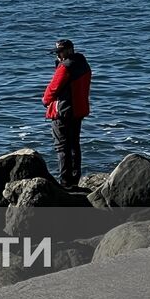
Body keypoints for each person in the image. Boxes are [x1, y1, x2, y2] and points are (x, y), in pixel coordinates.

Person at [42, 39, 92, 188]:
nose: (58, 56)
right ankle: (75, 178)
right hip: (78, 110)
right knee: (74, 145)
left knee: (62, 147)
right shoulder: (83, 63)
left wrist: (45, 101)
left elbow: (53, 89)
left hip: (63, 112)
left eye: (60, 52)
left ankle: (65, 182)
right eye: (57, 53)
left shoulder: (65, 68)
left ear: (69, 51)